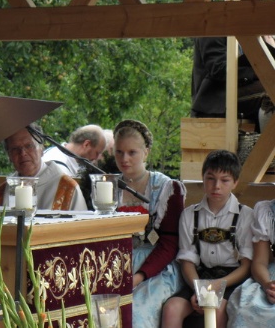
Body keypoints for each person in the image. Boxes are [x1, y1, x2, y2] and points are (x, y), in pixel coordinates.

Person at [161, 150, 253, 328]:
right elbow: (187, 260)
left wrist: (216, 287)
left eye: (224, 180)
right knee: (172, 308)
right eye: (210, 178)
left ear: (235, 182)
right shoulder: (189, 215)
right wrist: (200, 289)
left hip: (231, 280)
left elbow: (247, 265)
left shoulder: (246, 215)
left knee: (216, 309)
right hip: (198, 278)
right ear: (203, 179)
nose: (216, 186)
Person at [112, 119, 186, 328]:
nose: (124, 159)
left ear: (146, 152)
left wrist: (138, 277)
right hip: (117, 264)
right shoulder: (108, 187)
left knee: (135, 312)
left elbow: (170, 244)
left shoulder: (166, 188)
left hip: (158, 268)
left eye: (131, 152)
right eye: (119, 152)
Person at [0, 124, 87, 211]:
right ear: (9, 156)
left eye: (29, 146)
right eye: (15, 149)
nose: (22, 153)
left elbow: (81, 228)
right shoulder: (0, 195)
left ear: (41, 149)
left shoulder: (67, 188)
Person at [191, 37, 267, 128]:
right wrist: (259, 72)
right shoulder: (214, 26)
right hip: (217, 98)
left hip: (243, 87)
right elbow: (218, 68)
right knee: (270, 95)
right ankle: (268, 140)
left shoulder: (247, 28)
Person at [226, 199, 275, 326]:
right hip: (271, 275)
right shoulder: (267, 210)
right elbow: (260, 261)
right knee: (245, 309)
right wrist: (268, 285)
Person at [42, 124, 107, 209]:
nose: (96, 158)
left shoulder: (77, 162)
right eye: (97, 153)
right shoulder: (56, 163)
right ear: (86, 144)